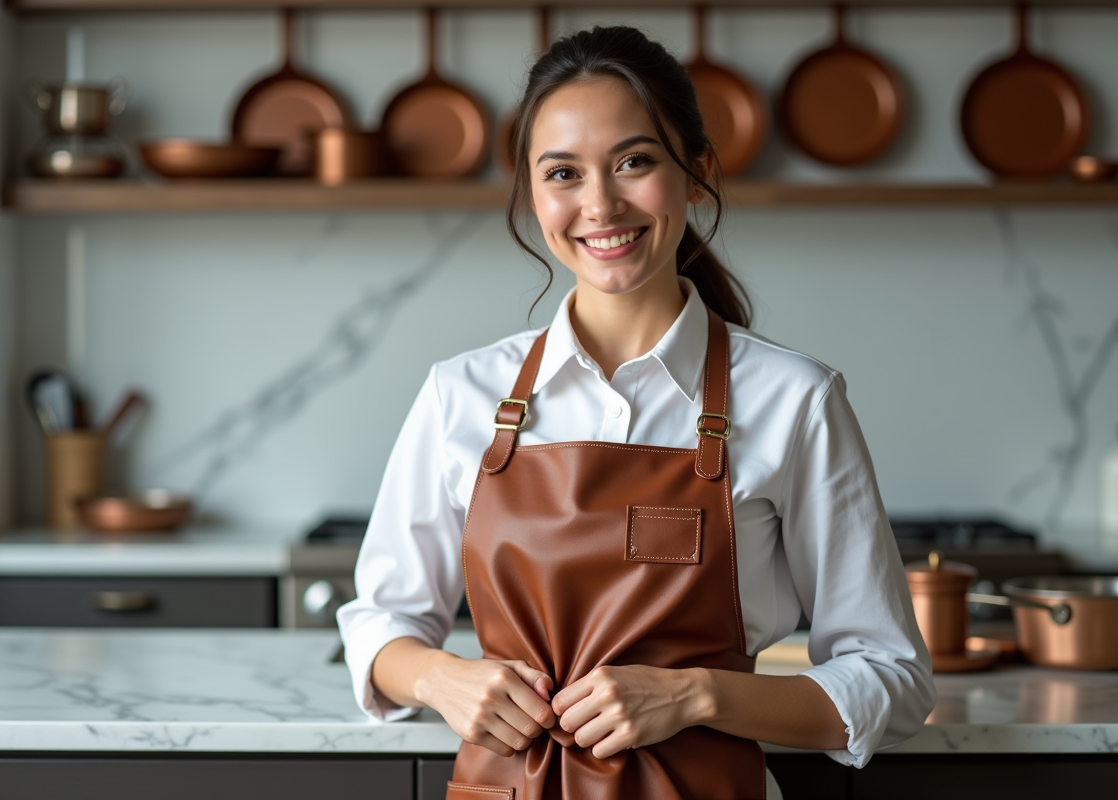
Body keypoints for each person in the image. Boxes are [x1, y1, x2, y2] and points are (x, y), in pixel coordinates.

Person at [337, 25, 935, 800]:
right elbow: (379, 624)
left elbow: (892, 679)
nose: (599, 204)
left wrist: (700, 696)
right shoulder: (461, 394)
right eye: (562, 173)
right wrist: (443, 678)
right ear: (531, 192)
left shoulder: (796, 400)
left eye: (633, 162)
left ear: (696, 174)